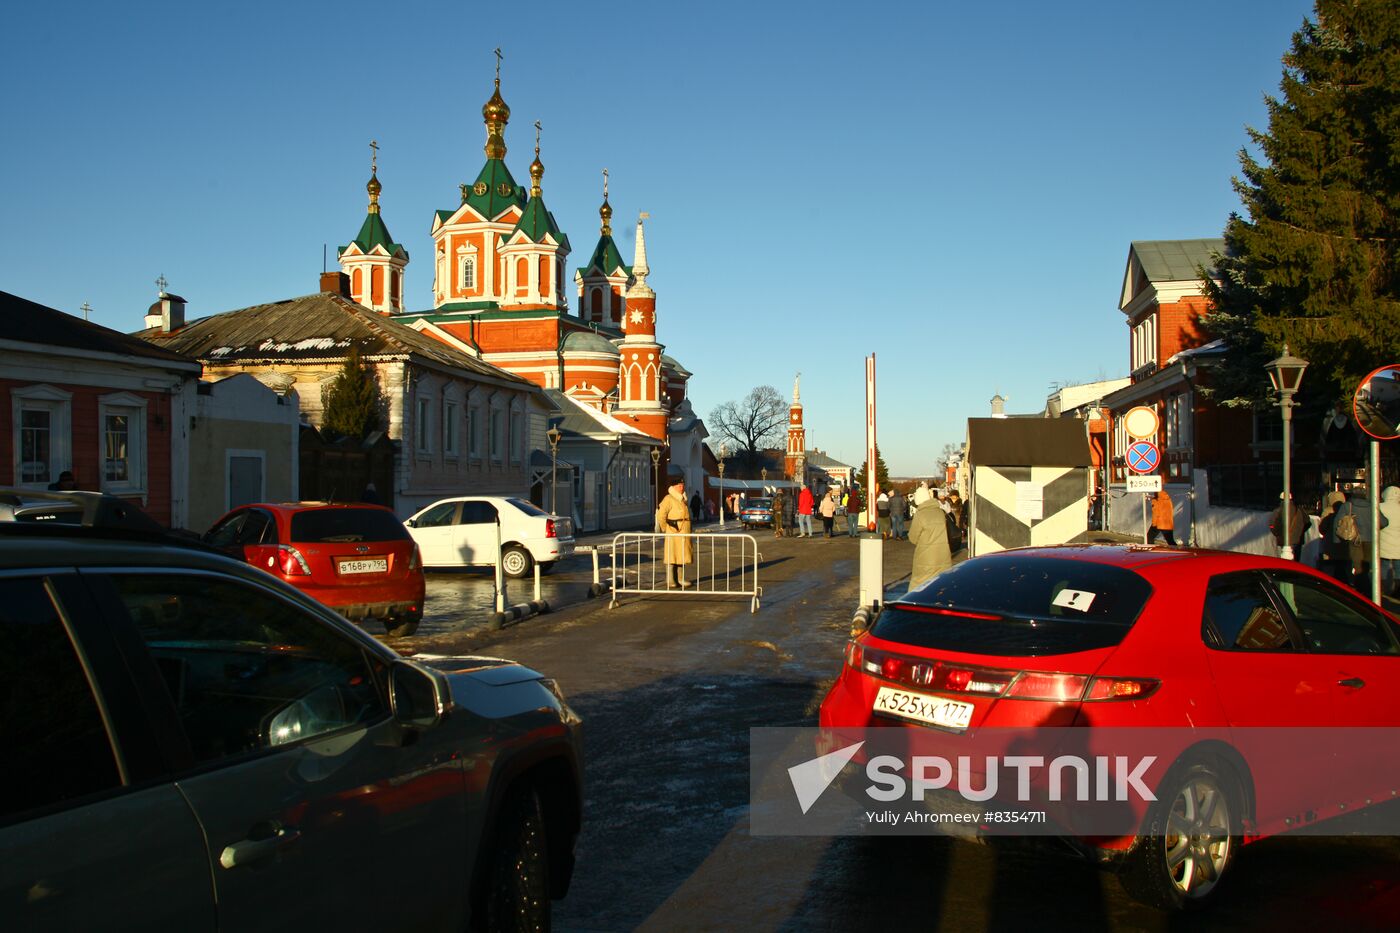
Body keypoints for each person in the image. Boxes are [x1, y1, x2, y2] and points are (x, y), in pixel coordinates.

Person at [908, 492, 953, 590]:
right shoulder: (940, 512)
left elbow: (912, 537)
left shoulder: (920, 514)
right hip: (943, 555)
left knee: (919, 586)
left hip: (925, 557)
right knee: (941, 584)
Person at [655, 478, 693, 588]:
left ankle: (680, 578)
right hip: (674, 531)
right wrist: (665, 528)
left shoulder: (683, 499)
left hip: (684, 531)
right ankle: (671, 579)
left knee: (682, 555)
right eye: (680, 486)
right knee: (672, 555)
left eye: (683, 485)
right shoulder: (669, 499)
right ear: (674, 487)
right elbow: (661, 515)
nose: (682, 487)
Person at [1318, 490, 1350, 582]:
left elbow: (1322, 529)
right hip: (1345, 547)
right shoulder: (1348, 510)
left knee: (1329, 573)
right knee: (1344, 571)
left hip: (1330, 547)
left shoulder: (1328, 511)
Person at [1268, 492, 1308, 559]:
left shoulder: (1278, 511)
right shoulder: (1300, 510)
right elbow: (1307, 522)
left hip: (1284, 540)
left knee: (1286, 561)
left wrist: (1278, 534)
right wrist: (1300, 532)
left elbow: (1272, 525)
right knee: (1296, 560)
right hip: (1298, 540)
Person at [1379, 486, 1400, 598]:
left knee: (1384, 566)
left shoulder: (1379, 507)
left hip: (1383, 543)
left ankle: (1383, 589)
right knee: (1398, 568)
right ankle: (1397, 589)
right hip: (1398, 545)